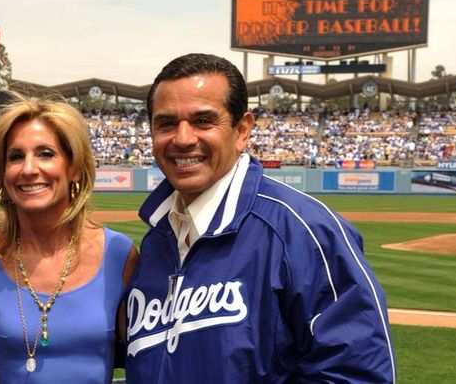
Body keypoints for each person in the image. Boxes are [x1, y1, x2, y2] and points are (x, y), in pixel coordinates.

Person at [125, 53, 396, 382]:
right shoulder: (158, 238)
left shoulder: (303, 229)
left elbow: (356, 373)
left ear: (242, 130)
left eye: (203, 121)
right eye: (167, 123)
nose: (183, 138)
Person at [0, 94, 139, 383]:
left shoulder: (119, 254)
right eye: (16, 156)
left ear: (75, 168)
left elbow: (144, 362)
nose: (28, 169)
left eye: (46, 153)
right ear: (3, 174)